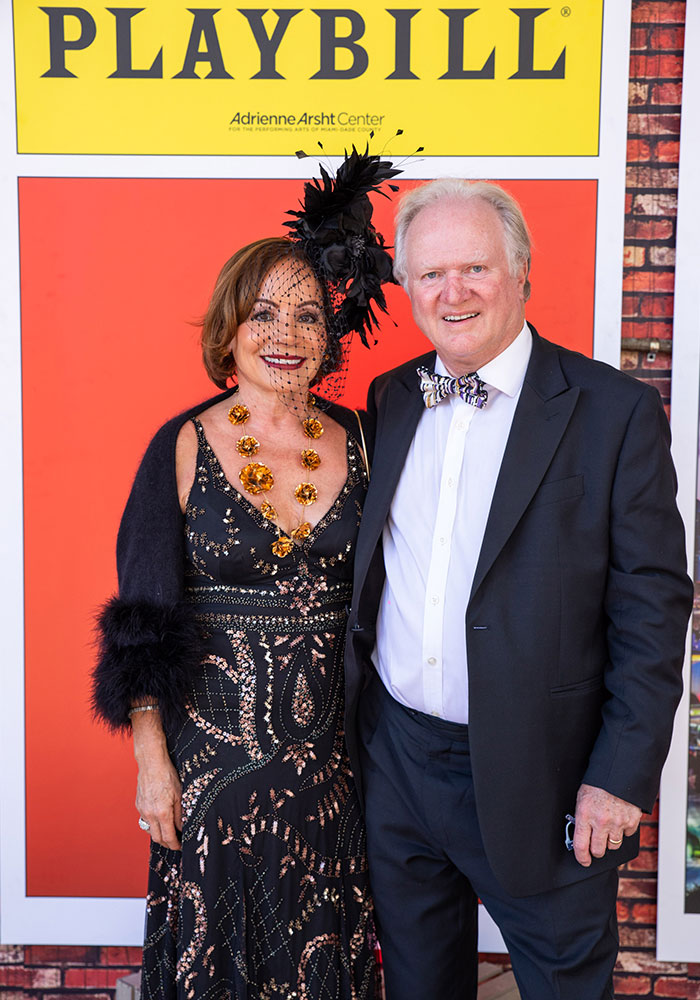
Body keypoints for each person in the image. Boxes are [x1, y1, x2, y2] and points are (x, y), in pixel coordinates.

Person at [344, 178, 693, 1000]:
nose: (452, 292)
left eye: (475, 268)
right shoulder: (391, 399)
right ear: (406, 287)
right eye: (430, 274)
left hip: (547, 772)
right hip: (396, 761)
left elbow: (653, 608)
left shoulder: (614, 412)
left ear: (522, 272)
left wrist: (620, 774)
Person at [92, 149, 400, 1000]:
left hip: (335, 766)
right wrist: (153, 765)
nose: (286, 335)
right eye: (264, 314)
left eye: (307, 317)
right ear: (228, 330)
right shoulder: (182, 444)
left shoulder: (369, 439)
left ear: (330, 335)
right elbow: (140, 628)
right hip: (211, 770)